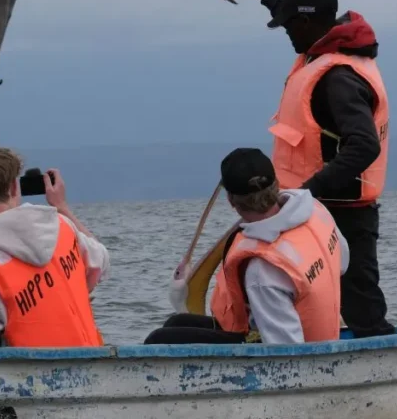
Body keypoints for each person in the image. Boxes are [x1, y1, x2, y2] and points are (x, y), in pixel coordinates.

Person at [221, 0, 394, 337]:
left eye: (289, 26)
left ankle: (384, 370)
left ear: (309, 24)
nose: (286, 32)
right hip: (311, 210)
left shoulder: (338, 78)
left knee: (361, 308)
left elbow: (364, 144)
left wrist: (308, 192)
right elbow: (294, 8)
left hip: (342, 214)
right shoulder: (329, 42)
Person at [145, 147, 348, 345]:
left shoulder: (264, 269)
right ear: (276, 183)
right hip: (322, 330)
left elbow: (286, 350)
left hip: (301, 351)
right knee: (177, 323)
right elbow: (343, 263)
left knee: (159, 339)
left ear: (232, 201)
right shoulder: (315, 211)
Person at [0, 141, 110, 348]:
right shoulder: (64, 227)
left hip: (29, 376)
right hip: (90, 366)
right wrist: (62, 207)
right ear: (14, 186)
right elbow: (102, 261)